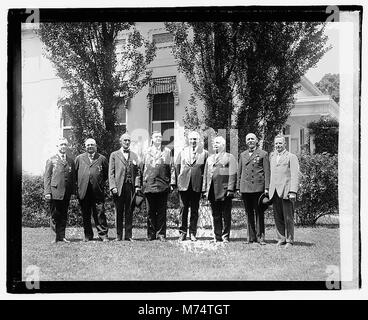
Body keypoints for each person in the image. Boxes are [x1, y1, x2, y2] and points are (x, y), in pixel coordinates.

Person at [174, 131, 208, 241]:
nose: (193, 141)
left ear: (198, 140)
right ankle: (182, 233)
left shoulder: (204, 153)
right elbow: (177, 167)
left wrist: (204, 187)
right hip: (184, 185)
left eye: (195, 139)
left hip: (196, 185)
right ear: (188, 140)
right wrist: (178, 182)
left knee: (194, 209)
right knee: (183, 209)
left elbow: (206, 171)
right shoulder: (182, 152)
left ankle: (193, 233)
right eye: (191, 139)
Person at [202, 136, 237, 243]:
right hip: (212, 191)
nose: (215, 145)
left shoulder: (229, 157)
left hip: (225, 191)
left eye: (217, 143)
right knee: (215, 215)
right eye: (214, 143)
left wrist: (231, 189)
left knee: (226, 215)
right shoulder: (210, 158)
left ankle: (225, 236)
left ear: (223, 145)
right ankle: (217, 236)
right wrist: (204, 190)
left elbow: (233, 174)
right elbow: (206, 175)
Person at [237, 133, 270, 245]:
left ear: (256, 141)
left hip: (258, 188)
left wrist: (267, 187)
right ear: (246, 142)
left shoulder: (263, 154)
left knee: (259, 212)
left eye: (252, 139)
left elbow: (267, 172)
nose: (250, 141)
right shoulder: (242, 154)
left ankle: (261, 238)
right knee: (248, 213)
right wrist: (238, 187)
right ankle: (250, 237)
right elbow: (239, 171)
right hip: (245, 188)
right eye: (248, 139)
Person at [141, 131, 174, 242]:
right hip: (149, 185)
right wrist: (141, 183)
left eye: (160, 137)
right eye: (156, 137)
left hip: (162, 185)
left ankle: (161, 234)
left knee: (161, 211)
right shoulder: (146, 152)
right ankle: (151, 234)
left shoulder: (167, 151)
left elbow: (171, 168)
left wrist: (171, 183)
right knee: (150, 211)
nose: (158, 139)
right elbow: (141, 168)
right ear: (152, 139)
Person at [269, 135, 300, 248]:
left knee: (288, 217)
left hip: (287, 191)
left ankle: (289, 240)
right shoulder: (272, 157)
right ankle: (281, 238)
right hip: (275, 191)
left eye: (280, 143)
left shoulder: (291, 157)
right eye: (276, 143)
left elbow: (295, 175)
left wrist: (293, 191)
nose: (278, 145)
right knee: (278, 216)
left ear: (285, 144)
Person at [75, 138, 109, 242]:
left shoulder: (102, 158)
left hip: (97, 191)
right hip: (84, 191)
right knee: (86, 214)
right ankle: (88, 235)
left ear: (96, 146)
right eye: (88, 145)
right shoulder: (79, 158)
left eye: (92, 145)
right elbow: (75, 174)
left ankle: (103, 235)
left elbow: (106, 174)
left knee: (99, 214)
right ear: (85, 147)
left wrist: (99, 183)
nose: (90, 146)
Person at [109, 133, 141, 241]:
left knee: (129, 211)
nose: (127, 142)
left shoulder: (134, 155)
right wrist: (113, 186)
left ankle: (128, 235)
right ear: (121, 142)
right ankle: (118, 235)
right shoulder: (114, 154)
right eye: (125, 140)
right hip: (118, 187)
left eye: (128, 141)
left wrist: (137, 186)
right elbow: (111, 172)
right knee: (119, 211)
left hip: (130, 187)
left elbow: (138, 173)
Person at [44, 137, 76, 243]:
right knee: (55, 215)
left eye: (65, 145)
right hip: (55, 192)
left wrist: (73, 191)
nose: (63, 146)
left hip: (66, 193)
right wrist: (47, 192)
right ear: (57, 146)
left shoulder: (71, 161)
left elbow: (73, 178)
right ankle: (55, 237)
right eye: (61, 144)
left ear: (67, 146)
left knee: (63, 215)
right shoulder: (51, 160)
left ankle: (62, 236)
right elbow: (47, 177)